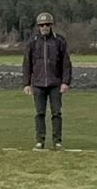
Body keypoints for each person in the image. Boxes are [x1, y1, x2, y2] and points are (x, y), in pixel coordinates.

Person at [21, 11, 72, 150]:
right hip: (38, 84)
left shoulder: (59, 41)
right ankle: (40, 140)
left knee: (56, 113)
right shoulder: (32, 42)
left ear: (51, 25)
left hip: (55, 83)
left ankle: (57, 141)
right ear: (38, 26)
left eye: (47, 24)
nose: (44, 27)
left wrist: (65, 82)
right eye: (42, 25)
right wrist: (26, 83)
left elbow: (66, 64)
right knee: (39, 113)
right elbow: (27, 64)